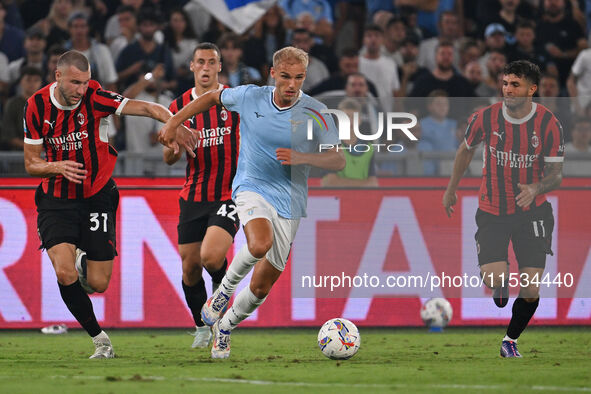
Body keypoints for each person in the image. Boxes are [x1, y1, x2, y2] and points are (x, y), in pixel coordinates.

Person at [159, 46, 345, 359]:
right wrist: (174, 122)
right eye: (285, 77)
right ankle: (222, 294)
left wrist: (302, 158)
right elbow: (209, 98)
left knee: (260, 287)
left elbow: (338, 160)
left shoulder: (317, 113)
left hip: (289, 200)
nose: (291, 85)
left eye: (298, 78)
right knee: (258, 244)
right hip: (250, 187)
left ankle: (226, 326)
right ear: (273, 74)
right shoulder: (250, 96)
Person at [23, 50, 196, 359]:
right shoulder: (36, 106)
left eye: (85, 82)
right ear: (57, 76)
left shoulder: (95, 96)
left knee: (99, 283)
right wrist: (56, 167)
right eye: (75, 83)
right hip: (56, 200)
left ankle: (82, 261)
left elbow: (147, 107)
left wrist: (174, 123)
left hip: (97, 195)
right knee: (64, 272)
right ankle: (100, 340)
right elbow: (31, 163)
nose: (80, 90)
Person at [443, 60, 564, 358]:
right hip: (492, 209)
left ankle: (510, 340)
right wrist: (451, 189)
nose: (508, 90)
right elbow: (466, 150)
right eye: (506, 83)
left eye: (515, 85)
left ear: (532, 89)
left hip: (533, 212)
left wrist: (536, 188)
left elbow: (556, 175)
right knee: (496, 277)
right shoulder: (485, 117)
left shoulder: (549, 124)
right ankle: (499, 283)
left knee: (531, 287)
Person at [163, 42, 240, 349]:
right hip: (193, 195)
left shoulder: (234, 100)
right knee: (190, 267)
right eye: (200, 62)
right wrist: (173, 149)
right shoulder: (177, 107)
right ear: (192, 67)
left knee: (211, 255)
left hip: (229, 194)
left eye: (212, 62)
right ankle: (201, 326)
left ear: (219, 67)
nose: (206, 67)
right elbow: (169, 157)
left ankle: (220, 305)